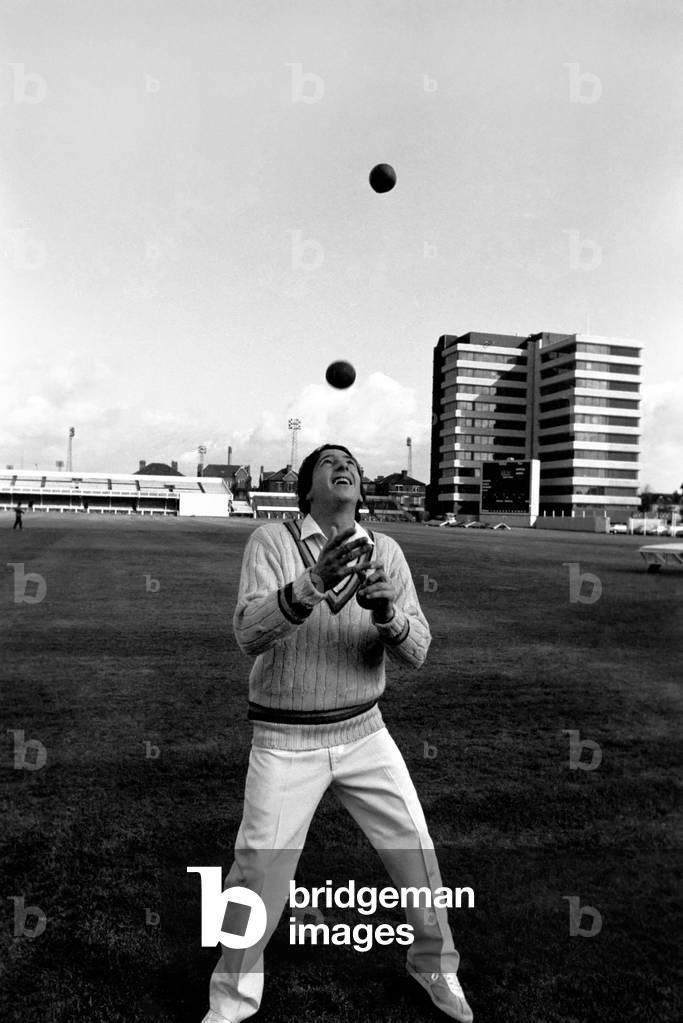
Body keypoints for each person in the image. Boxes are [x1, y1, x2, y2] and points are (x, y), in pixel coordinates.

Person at [201, 444, 473, 1023]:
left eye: (350, 462)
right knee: (256, 871)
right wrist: (309, 584)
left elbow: (417, 651)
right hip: (284, 739)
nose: (343, 466)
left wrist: (386, 616)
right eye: (328, 462)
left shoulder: (387, 552)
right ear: (307, 488)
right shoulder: (272, 543)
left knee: (415, 851)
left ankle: (433, 963)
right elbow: (248, 633)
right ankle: (231, 999)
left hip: (365, 731)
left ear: (361, 487)